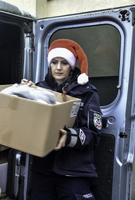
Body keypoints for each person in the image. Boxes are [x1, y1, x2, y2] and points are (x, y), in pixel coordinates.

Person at [22, 39, 102, 200]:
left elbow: (93, 136)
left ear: (71, 65)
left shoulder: (87, 93)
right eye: (54, 62)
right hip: (42, 169)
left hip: (73, 170)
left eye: (64, 63)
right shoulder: (39, 88)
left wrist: (69, 136)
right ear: (49, 64)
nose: (58, 67)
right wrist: (23, 94)